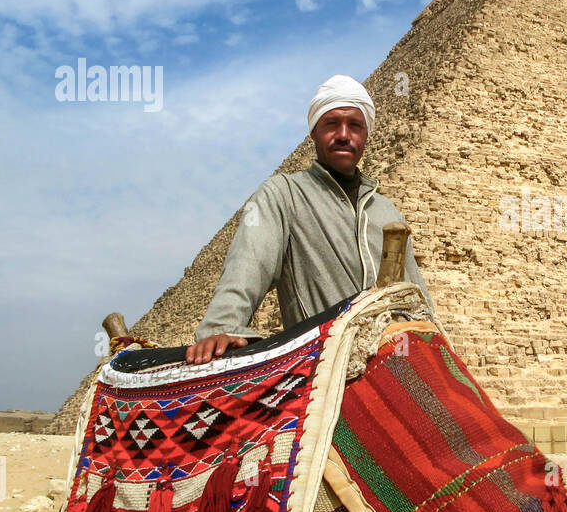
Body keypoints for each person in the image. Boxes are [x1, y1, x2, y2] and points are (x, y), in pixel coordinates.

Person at [185, 74, 433, 364]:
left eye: (355, 125)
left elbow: (418, 303)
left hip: (394, 367)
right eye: (331, 124)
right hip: (322, 370)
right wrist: (222, 326)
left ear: (366, 134)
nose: (343, 134)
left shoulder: (388, 213)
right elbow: (248, 263)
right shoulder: (284, 195)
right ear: (313, 132)